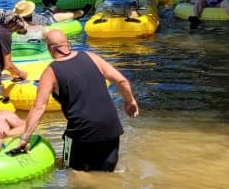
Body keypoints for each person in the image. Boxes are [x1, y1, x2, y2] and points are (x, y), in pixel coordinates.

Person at [15, 29, 139, 171]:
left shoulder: (51, 72)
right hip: (110, 127)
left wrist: (24, 138)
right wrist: (130, 101)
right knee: (105, 175)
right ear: (67, 43)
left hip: (81, 131)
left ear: (49, 49)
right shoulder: (91, 57)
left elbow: (39, 107)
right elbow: (122, 81)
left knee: (72, 173)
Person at [12, 0, 86, 31]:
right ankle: (81, 12)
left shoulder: (16, 18)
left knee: (56, 7)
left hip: (44, 14)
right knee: (74, 14)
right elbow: (33, 28)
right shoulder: (24, 23)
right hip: (50, 19)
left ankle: (74, 11)